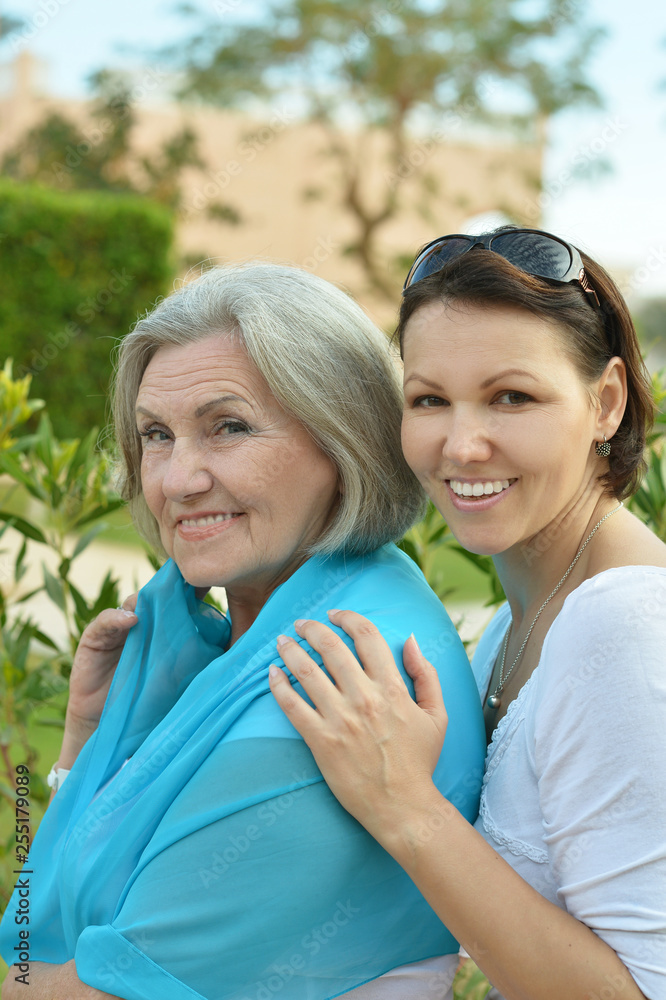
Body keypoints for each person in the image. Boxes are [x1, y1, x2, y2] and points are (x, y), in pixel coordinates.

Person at [0, 263, 486, 1000]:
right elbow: (33, 933)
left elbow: (49, 982)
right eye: (156, 435)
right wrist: (84, 745)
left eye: (228, 427)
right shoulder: (253, 632)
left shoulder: (329, 684)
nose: (175, 480)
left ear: (342, 438)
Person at [269, 229, 666, 1000]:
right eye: (429, 400)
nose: (461, 444)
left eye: (510, 397)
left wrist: (406, 807)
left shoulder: (625, 627)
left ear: (605, 403)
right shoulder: (513, 632)